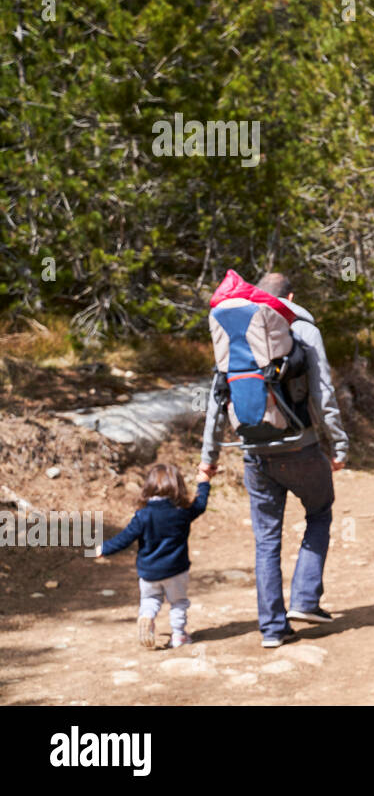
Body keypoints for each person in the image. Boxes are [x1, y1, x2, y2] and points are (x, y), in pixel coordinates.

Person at [200, 271, 349, 648]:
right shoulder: (303, 329)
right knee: (319, 512)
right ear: (291, 296)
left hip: (253, 453)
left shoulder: (237, 335)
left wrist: (209, 459)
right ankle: (304, 600)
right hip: (300, 445)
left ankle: (272, 629)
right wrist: (338, 446)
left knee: (266, 541)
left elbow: (216, 402)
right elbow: (323, 395)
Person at [97, 462, 210, 649]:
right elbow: (201, 504)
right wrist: (204, 482)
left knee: (150, 600)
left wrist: (104, 548)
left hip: (149, 571)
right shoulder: (182, 512)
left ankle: (147, 617)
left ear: (148, 487)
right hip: (176, 570)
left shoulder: (143, 515)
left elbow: (125, 538)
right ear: (177, 486)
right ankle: (179, 635)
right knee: (178, 602)